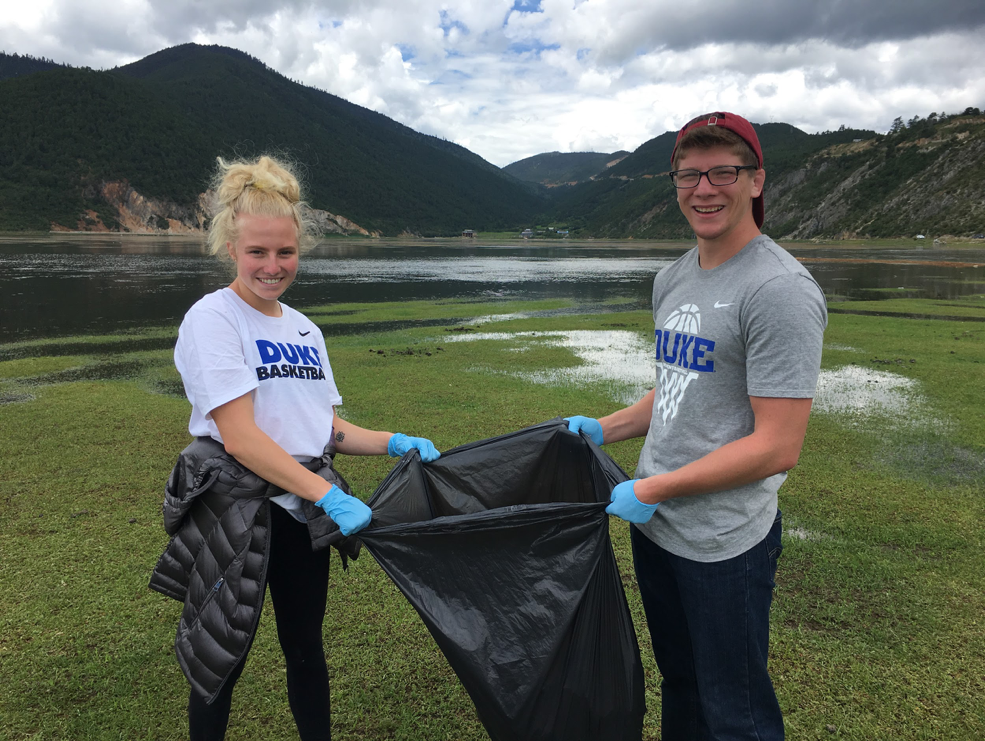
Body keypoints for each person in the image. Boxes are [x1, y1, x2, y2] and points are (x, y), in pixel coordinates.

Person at [150, 155, 439, 741]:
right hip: (237, 510)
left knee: (306, 648)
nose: (272, 266)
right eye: (258, 252)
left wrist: (393, 442)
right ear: (230, 247)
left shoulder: (306, 329)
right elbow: (241, 437)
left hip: (301, 515)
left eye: (285, 252)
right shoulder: (213, 320)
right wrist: (329, 495)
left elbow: (323, 429)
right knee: (220, 658)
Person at [567, 112, 826, 740]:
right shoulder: (673, 277)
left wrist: (652, 489)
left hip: (723, 543)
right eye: (689, 175)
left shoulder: (779, 289)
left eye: (723, 172)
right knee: (680, 686)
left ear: (757, 181)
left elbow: (777, 445)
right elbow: (678, 389)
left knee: (734, 710)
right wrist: (604, 428)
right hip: (657, 531)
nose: (704, 189)